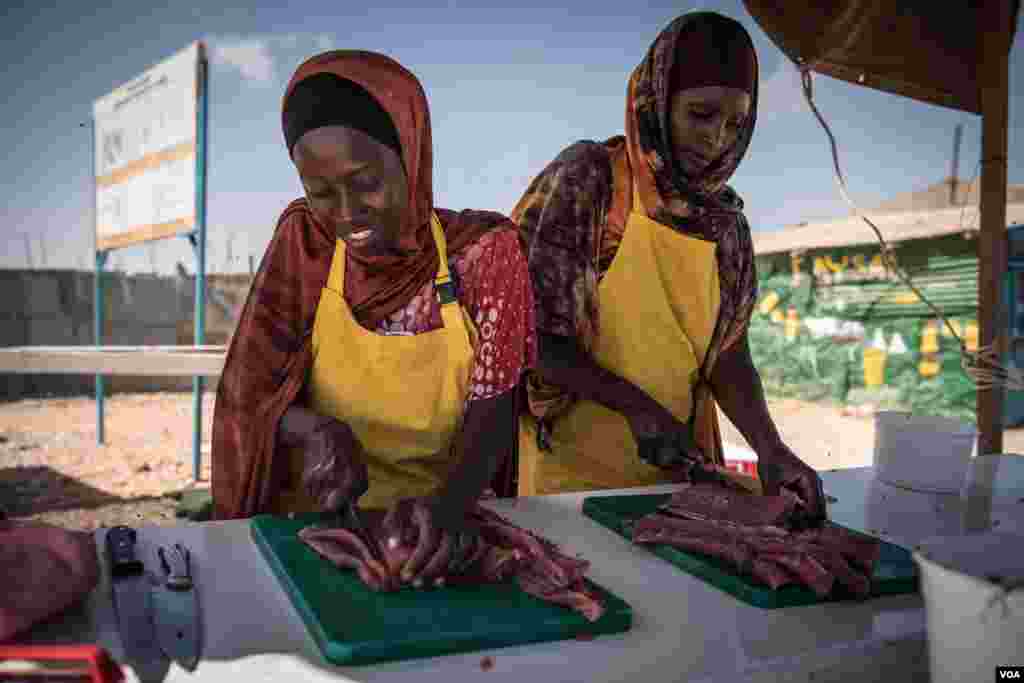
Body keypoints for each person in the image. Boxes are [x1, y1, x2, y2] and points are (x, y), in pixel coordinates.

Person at [212, 50, 536, 582]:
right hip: (321, 529)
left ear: (411, 155)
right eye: (320, 192)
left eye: (365, 183)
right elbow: (249, 396)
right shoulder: (304, 241)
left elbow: (494, 407)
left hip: (439, 525)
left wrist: (451, 507)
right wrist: (311, 429)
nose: (345, 211)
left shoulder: (483, 253)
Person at [512, 11, 825, 518]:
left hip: (678, 478)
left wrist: (772, 449)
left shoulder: (726, 225)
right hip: (567, 482)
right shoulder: (590, 181)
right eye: (700, 115)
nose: (718, 139)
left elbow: (727, 356)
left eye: (735, 123)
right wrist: (635, 406)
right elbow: (528, 334)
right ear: (656, 102)